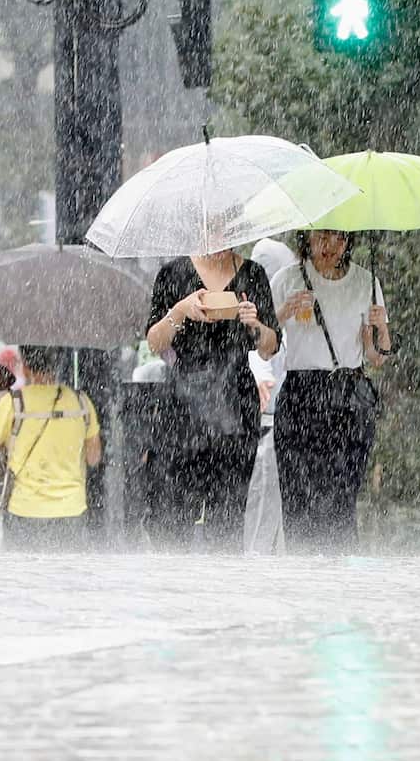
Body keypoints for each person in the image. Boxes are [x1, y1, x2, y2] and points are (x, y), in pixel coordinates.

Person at [145, 249, 280, 551]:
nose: (216, 237)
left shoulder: (252, 274)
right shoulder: (173, 273)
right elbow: (155, 342)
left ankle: (223, 591)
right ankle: (174, 589)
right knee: (172, 515)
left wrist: (254, 324)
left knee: (228, 517)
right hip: (182, 404)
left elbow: (271, 346)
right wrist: (180, 310)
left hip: (235, 402)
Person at [269, 230, 391, 553]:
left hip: (347, 400)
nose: (329, 247)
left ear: (349, 240)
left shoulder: (366, 282)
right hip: (300, 395)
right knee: (298, 497)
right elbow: (265, 347)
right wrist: (284, 312)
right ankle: (303, 575)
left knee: (340, 498)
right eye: (321, 237)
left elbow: (376, 357)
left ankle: (341, 579)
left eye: (338, 237)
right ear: (306, 238)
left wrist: (381, 329)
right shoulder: (286, 279)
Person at [0, 345, 101, 552]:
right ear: (56, 365)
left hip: (24, 510)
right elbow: (94, 457)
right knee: (68, 579)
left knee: (22, 580)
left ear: (24, 368)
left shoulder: (13, 402)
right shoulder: (81, 402)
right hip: (71, 511)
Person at [244, 237, 297, 555]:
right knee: (260, 515)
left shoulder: (283, 324)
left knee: (270, 516)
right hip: (263, 431)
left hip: (276, 431)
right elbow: (261, 362)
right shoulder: (253, 320)